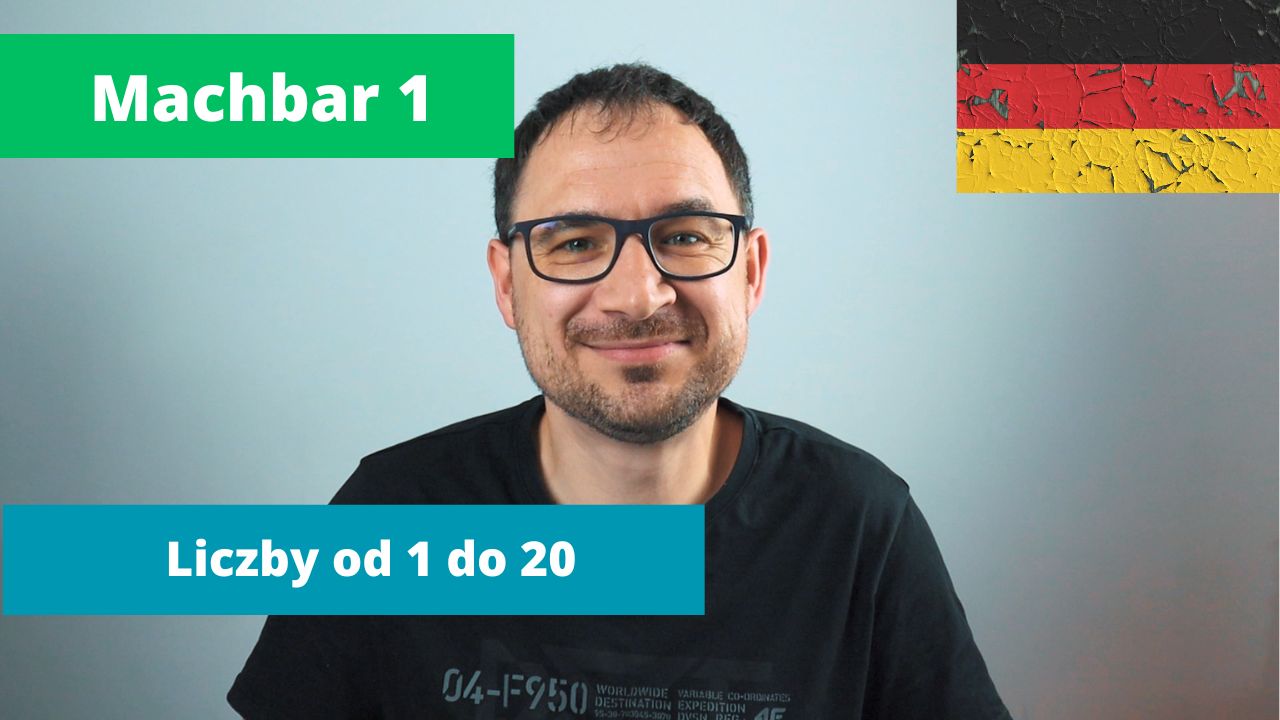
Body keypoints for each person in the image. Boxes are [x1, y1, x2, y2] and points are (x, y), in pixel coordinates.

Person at [229, 63, 1012, 719]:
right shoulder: (389, 516)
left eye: (685, 236)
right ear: (507, 285)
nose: (637, 296)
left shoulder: (859, 526)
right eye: (575, 243)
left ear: (750, 271)